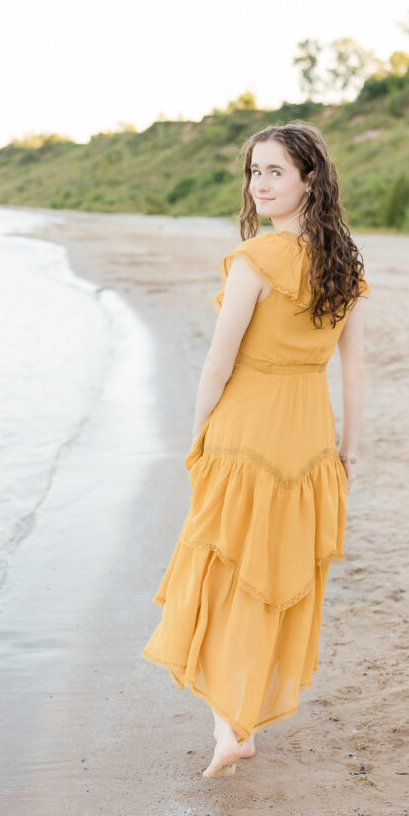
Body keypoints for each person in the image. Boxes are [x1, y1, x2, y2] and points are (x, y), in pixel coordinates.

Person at [141, 121, 372, 778]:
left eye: (274, 171)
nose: (260, 184)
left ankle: (229, 727)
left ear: (309, 180)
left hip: (245, 436)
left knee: (225, 576)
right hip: (307, 441)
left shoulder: (255, 260)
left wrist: (196, 434)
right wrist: (346, 451)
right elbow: (350, 374)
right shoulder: (344, 264)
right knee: (274, 579)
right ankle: (235, 725)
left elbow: (217, 362)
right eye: (254, 171)